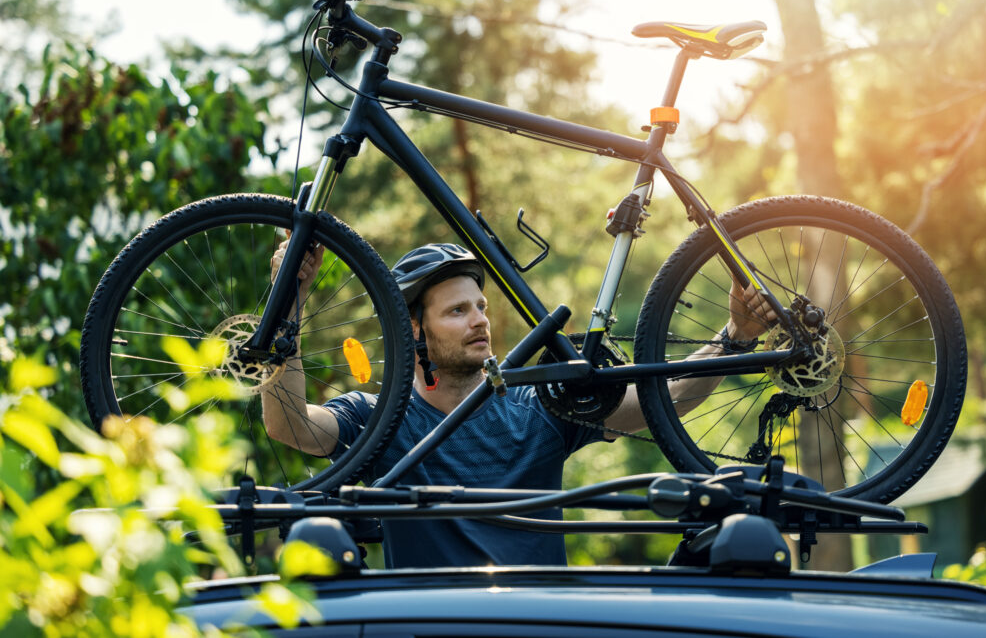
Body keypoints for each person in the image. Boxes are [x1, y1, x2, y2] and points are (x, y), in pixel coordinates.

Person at [261, 242, 774, 568]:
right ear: (412, 330)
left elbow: (663, 401)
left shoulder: (538, 405)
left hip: (534, 620)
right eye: (457, 311)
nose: (480, 320)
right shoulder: (379, 417)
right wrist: (288, 303)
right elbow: (291, 427)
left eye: (481, 307)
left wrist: (737, 335)